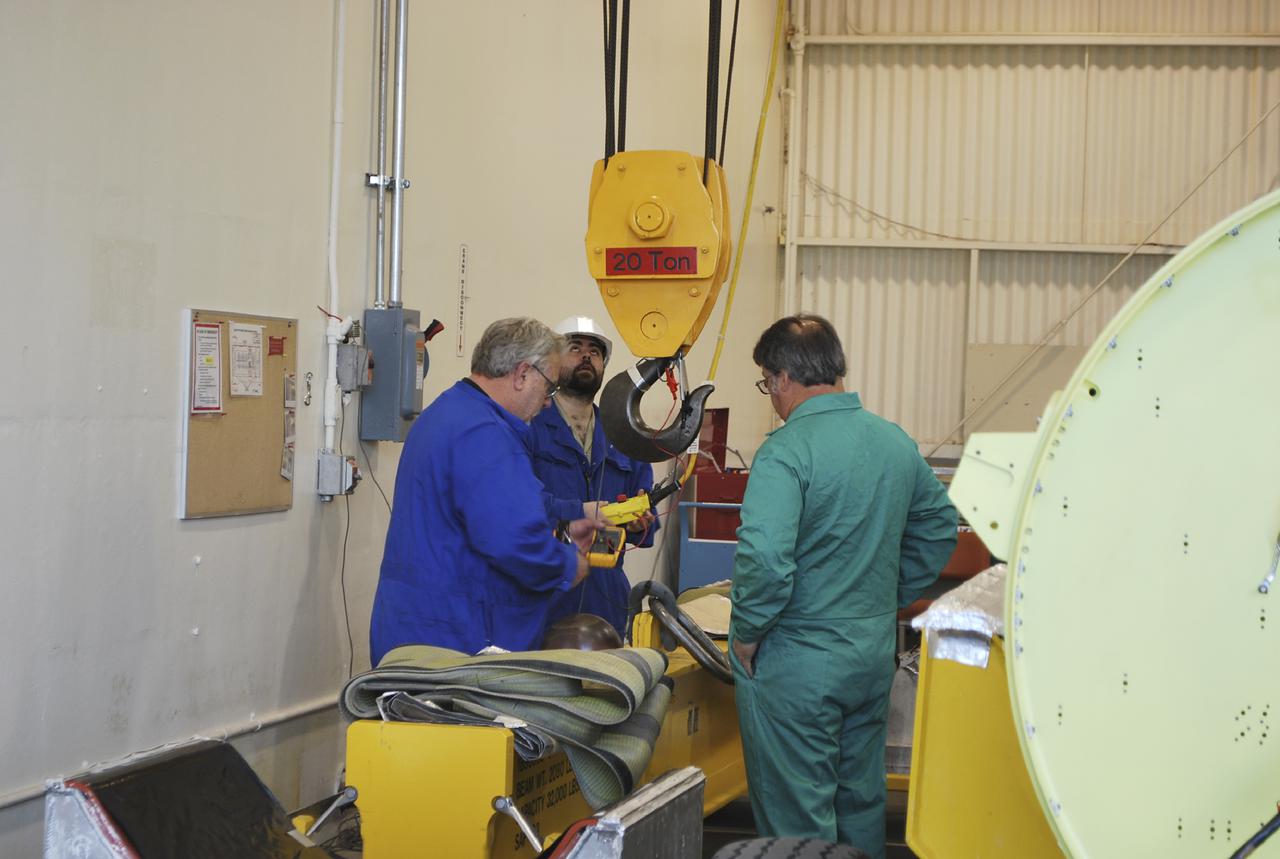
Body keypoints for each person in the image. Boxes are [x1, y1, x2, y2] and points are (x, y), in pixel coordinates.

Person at [729, 314, 957, 858]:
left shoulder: (786, 451)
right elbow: (940, 526)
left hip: (797, 660)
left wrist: (747, 634)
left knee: (797, 816)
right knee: (859, 801)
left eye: (767, 384)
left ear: (783, 377)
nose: (771, 398)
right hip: (871, 653)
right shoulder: (893, 442)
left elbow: (764, 557)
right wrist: (886, 594)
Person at [369, 317, 607, 664]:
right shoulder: (484, 434)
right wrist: (569, 565)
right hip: (455, 643)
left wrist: (570, 519)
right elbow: (514, 539)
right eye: (549, 388)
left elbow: (501, 503)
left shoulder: (450, 413)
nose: (547, 402)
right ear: (523, 374)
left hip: (419, 631)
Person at [529, 316, 657, 638]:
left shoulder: (623, 436)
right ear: (555, 362)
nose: (587, 357)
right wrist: (578, 512)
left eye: (595, 352)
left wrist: (641, 521)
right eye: (575, 348)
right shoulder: (530, 426)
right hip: (545, 591)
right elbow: (519, 507)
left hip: (608, 597)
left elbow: (648, 521)